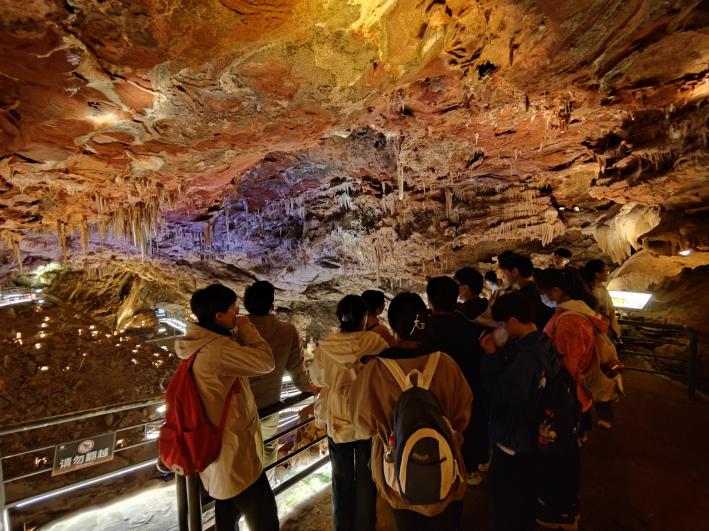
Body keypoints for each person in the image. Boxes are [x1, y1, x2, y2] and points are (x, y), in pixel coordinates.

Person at [350, 292, 472, 530]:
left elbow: (362, 425)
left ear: (393, 327)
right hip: (446, 465)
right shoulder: (446, 363)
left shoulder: (375, 371)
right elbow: (462, 415)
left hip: (399, 476)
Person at [174, 284, 279, 531]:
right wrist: (246, 327)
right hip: (234, 452)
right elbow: (266, 361)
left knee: (227, 515)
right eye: (234, 309)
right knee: (265, 519)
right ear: (219, 316)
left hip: (218, 452)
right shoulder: (217, 350)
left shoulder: (200, 343)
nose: (238, 313)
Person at [534, 268, 606, 530]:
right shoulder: (575, 314)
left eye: (545, 291)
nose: (544, 296)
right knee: (565, 454)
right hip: (570, 396)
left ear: (557, 291)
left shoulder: (570, 321)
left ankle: (561, 511)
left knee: (560, 456)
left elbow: (566, 367)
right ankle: (563, 505)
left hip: (564, 398)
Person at [479, 290, 558, 531]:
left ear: (513, 320)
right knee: (524, 497)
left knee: (507, 500)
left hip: (514, 440)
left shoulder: (526, 358)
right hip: (532, 435)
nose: (501, 329)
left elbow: (504, 395)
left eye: (502, 324)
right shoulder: (542, 342)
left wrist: (491, 357)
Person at [309, 295, 389, 531]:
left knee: (341, 475)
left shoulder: (327, 346)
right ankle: (365, 525)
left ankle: (342, 525)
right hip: (366, 416)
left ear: (339, 318)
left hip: (337, 418)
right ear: (364, 318)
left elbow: (317, 379)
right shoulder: (375, 342)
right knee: (367, 475)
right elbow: (386, 373)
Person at [245, 280, 316, 471]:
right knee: (268, 448)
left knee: (242, 450)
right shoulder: (287, 331)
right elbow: (297, 369)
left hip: (240, 405)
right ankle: (268, 482)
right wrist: (308, 388)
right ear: (272, 305)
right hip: (270, 404)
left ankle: (245, 485)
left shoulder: (236, 331)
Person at [425, 276, 488, 486]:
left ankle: (440, 470)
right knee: (468, 427)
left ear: (430, 301)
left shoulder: (424, 331)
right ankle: (470, 469)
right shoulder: (472, 327)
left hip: (433, 394)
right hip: (467, 388)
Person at [583, 260, 623, 429]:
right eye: (605, 271)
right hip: (597, 336)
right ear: (596, 274)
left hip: (603, 335)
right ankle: (601, 415)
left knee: (602, 375)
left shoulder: (599, 289)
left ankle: (602, 415)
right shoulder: (592, 291)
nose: (607, 273)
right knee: (601, 375)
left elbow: (609, 313)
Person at [498, 253, 555, 331]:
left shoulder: (519, 298)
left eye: (504, 272)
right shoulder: (535, 290)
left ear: (515, 272)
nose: (502, 276)